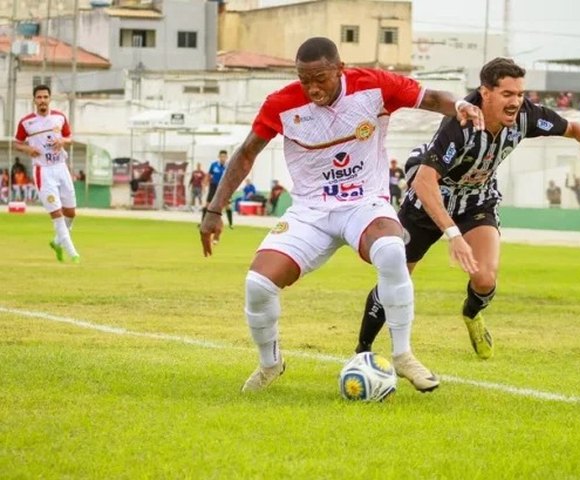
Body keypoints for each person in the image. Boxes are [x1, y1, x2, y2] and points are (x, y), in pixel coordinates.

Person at [198, 36, 484, 393]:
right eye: (304, 80)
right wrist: (214, 209)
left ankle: (403, 354)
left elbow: (429, 97)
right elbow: (245, 154)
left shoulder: (375, 86)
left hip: (364, 203)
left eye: (320, 78)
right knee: (257, 285)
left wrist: (459, 105)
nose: (312, 88)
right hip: (310, 211)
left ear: (340, 68)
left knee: (393, 251)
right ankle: (270, 364)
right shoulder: (281, 104)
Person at [353, 57, 580, 359]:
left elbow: (573, 127)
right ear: (485, 92)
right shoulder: (461, 122)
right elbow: (425, 182)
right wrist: (453, 235)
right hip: (430, 197)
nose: (516, 102)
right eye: (507, 94)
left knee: (485, 279)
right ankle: (363, 350)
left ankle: (472, 314)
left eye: (519, 94)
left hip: (477, 198)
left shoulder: (527, 116)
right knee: (395, 277)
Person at [13, 84, 79, 262]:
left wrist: (63, 141)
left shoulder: (59, 117)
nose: (42, 100)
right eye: (39, 97)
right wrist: (29, 149)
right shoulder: (27, 122)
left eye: (45, 97)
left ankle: (58, 242)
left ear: (50, 99)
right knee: (56, 213)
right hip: (43, 170)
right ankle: (73, 254)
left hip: (61, 167)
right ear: (34, 100)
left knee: (71, 212)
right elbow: (17, 143)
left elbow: (70, 137)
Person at [203, 150, 233, 232]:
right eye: (221, 156)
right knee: (207, 204)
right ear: (219, 157)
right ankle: (202, 222)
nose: (223, 158)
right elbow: (209, 175)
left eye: (224, 157)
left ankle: (231, 224)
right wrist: (205, 184)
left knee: (228, 206)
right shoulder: (214, 165)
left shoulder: (228, 166)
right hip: (213, 186)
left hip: (224, 187)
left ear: (226, 157)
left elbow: (231, 177)